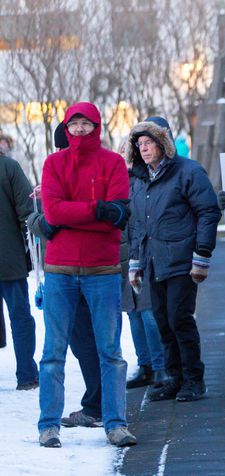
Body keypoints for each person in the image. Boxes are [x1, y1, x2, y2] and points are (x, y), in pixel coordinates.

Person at [39, 102, 135, 448]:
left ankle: (115, 423)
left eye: (86, 123)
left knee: (110, 351)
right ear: (66, 127)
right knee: (53, 352)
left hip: (103, 269)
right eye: (74, 123)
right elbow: (51, 211)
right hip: (60, 271)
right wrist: (97, 210)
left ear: (97, 126)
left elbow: (118, 215)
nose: (79, 129)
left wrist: (72, 215)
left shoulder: (113, 163)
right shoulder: (53, 163)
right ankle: (48, 425)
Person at [128, 116, 220, 403]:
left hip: (182, 259)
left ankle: (194, 379)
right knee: (163, 321)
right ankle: (174, 377)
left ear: (162, 143)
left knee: (179, 319)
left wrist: (202, 254)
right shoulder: (141, 179)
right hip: (154, 261)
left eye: (149, 143)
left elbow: (208, 211)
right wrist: (136, 260)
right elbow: (137, 223)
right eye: (140, 144)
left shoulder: (188, 171)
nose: (144, 149)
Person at [27, 126, 104, 429]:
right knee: (96, 342)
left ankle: (97, 406)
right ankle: (101, 404)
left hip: (72, 271)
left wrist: (36, 215)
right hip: (94, 268)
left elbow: (51, 224)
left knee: (80, 340)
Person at [119, 136, 167, 388]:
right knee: (133, 313)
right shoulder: (114, 182)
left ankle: (160, 367)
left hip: (142, 253)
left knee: (148, 312)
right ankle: (145, 365)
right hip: (120, 256)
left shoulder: (143, 179)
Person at [0, 132, 39, 391]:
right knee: (20, 317)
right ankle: (27, 375)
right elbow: (28, 211)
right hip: (9, 258)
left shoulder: (8, 167)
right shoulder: (9, 167)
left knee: (20, 316)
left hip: (9, 257)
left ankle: (27, 373)